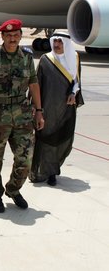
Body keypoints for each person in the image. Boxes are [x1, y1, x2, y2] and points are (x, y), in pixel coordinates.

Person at [0, 19, 44, 213]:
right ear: (3, 37)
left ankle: (13, 189)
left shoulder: (27, 57)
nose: (12, 39)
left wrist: (39, 111)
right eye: (9, 36)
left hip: (22, 116)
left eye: (16, 35)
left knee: (25, 158)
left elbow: (33, 83)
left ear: (21, 36)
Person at [30, 32, 83, 186]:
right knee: (46, 139)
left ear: (65, 43)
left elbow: (77, 80)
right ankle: (48, 171)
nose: (57, 44)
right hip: (48, 106)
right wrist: (35, 106)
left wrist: (74, 93)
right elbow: (36, 83)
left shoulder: (75, 58)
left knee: (62, 139)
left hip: (66, 108)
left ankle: (53, 168)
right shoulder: (46, 59)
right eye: (55, 41)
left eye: (60, 41)